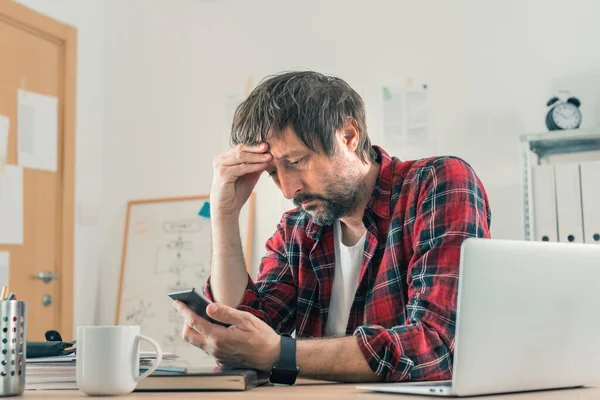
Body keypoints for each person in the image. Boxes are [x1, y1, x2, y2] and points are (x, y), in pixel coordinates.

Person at [172, 71, 492, 383]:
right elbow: (244, 337)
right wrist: (224, 214)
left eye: (296, 162)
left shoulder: (436, 182)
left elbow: (437, 345)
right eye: (272, 173)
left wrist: (279, 354)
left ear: (348, 136)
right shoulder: (296, 229)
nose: (287, 190)